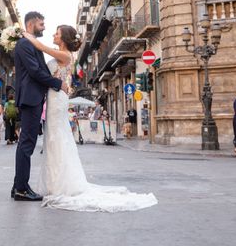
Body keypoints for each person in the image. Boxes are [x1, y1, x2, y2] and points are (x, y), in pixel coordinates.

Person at [22, 23, 158, 211]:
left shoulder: (65, 55)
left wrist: (27, 36)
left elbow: (42, 48)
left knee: (57, 138)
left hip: (57, 99)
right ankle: (54, 183)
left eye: (57, 32)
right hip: (53, 97)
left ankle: (61, 184)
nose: (53, 34)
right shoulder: (60, 53)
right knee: (53, 139)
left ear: (63, 38)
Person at [11, 11, 63, 202]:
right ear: (31, 24)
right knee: (27, 144)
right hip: (30, 98)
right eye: (41, 24)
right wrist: (57, 83)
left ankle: (18, 186)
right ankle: (22, 189)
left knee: (26, 143)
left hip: (33, 97)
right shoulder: (25, 44)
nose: (44, 27)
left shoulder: (31, 43)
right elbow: (34, 71)